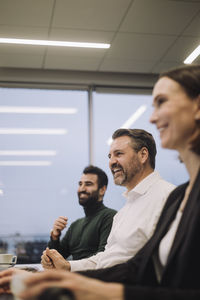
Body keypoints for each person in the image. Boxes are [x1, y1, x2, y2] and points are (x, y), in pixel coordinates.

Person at [8, 64, 200, 300]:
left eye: (162, 102)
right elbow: (136, 266)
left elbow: (151, 276)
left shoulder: (163, 197)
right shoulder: (174, 198)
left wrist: (83, 285)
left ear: (143, 155)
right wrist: (66, 275)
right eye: (110, 156)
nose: (152, 116)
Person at [41, 128, 175, 271]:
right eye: (110, 156)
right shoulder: (123, 213)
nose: (112, 162)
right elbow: (105, 259)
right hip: (106, 283)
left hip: (126, 289)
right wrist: (68, 266)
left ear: (143, 155)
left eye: (119, 154)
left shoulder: (169, 198)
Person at [47, 165, 117, 260]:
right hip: (73, 273)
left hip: (93, 274)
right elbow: (55, 259)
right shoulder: (75, 225)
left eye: (88, 184)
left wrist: (69, 266)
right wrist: (55, 236)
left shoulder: (110, 217)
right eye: (80, 184)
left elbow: (103, 258)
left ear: (102, 190)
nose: (82, 189)